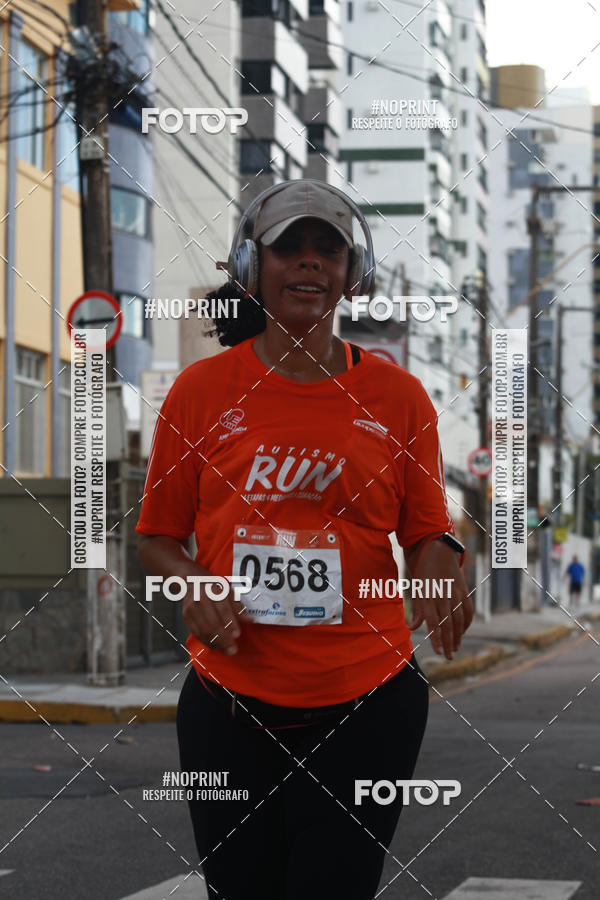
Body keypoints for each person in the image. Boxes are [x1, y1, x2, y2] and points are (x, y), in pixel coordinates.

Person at [136, 180, 472, 900]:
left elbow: (426, 528)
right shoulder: (198, 392)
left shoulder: (399, 397)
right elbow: (157, 537)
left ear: (355, 273)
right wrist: (193, 579)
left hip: (367, 703)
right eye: (289, 247)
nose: (310, 264)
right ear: (253, 266)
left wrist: (442, 558)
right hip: (228, 705)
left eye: (329, 249)